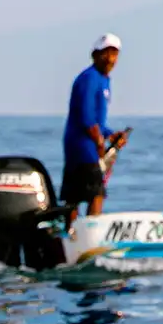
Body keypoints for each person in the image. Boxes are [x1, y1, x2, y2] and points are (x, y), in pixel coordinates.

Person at [60, 33, 129, 215]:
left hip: (86, 144)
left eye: (114, 54)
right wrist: (98, 141)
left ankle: (70, 235)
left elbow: (98, 121)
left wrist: (110, 134)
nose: (110, 59)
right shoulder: (89, 78)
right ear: (95, 55)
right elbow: (86, 117)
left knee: (76, 195)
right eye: (105, 53)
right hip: (82, 146)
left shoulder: (104, 81)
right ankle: (87, 234)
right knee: (95, 193)